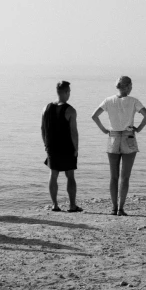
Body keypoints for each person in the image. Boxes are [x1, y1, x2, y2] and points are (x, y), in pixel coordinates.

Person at [91, 76, 146, 216]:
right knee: (125, 176)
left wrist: (104, 129)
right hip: (129, 136)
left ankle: (113, 207)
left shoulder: (108, 100)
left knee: (113, 176)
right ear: (128, 86)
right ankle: (121, 209)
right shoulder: (133, 101)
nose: (132, 88)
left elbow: (94, 116)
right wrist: (139, 129)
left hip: (113, 137)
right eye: (131, 85)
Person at [41, 80, 82, 212]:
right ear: (65, 92)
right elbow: (73, 132)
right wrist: (76, 148)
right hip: (67, 147)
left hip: (51, 146)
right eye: (69, 91)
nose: (70, 93)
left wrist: (45, 144)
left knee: (53, 175)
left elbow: (42, 128)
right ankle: (72, 205)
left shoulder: (45, 108)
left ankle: (55, 205)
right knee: (70, 175)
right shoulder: (70, 110)